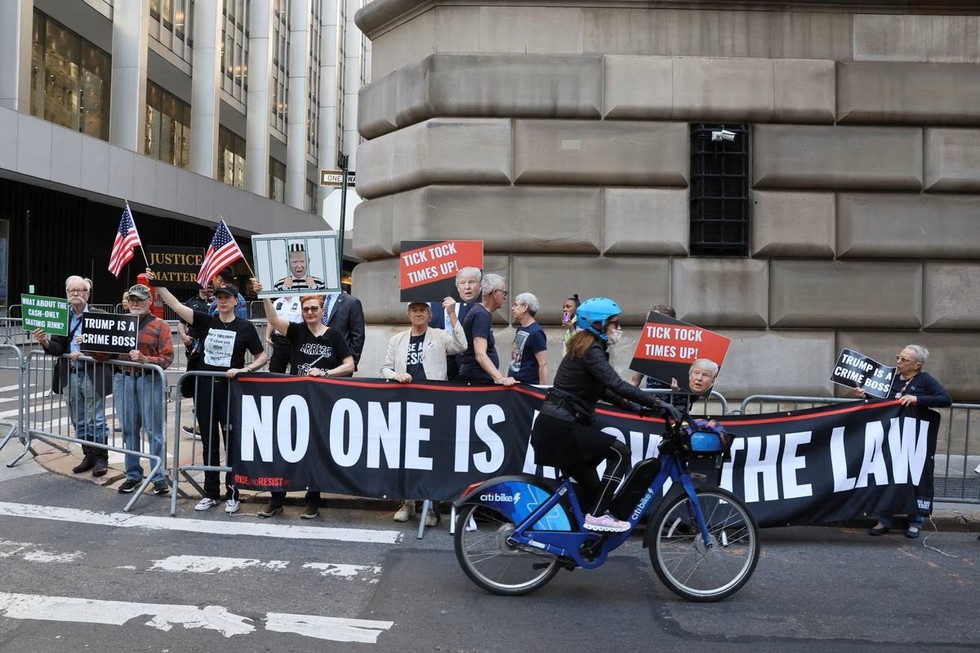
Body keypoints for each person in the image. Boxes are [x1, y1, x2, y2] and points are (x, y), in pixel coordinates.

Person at [530, 297, 681, 533]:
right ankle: (598, 516)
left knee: (593, 489)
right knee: (621, 453)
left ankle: (578, 541)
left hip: (559, 423)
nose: (618, 329)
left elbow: (605, 392)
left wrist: (640, 409)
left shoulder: (587, 346)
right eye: (614, 323)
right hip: (562, 425)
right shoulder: (590, 350)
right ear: (598, 324)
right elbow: (617, 385)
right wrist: (658, 402)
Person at [150, 270, 267, 514]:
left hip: (230, 389)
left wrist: (244, 369)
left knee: (231, 441)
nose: (222, 301)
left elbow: (262, 356)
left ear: (236, 301)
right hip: (205, 388)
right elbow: (177, 307)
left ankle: (233, 492)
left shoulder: (245, 327)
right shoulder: (206, 321)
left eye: (227, 298)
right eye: (218, 298)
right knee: (209, 442)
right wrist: (158, 285)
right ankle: (211, 493)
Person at [255, 282, 354, 519]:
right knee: (284, 450)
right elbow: (274, 320)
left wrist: (327, 373)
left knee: (315, 452)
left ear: (322, 310)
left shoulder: (334, 335)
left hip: (321, 403)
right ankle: (276, 498)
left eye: (314, 308)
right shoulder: (297, 331)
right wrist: (265, 295)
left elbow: (350, 364)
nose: (310, 312)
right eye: (306, 309)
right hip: (294, 401)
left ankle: (312, 500)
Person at [380, 299, 467, 525]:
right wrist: (395, 375)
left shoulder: (439, 336)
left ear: (429, 315)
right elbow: (385, 367)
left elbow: (461, 346)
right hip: (405, 403)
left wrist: (451, 314)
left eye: (422, 311)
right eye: (414, 311)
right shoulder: (397, 340)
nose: (418, 314)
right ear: (409, 315)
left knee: (430, 455)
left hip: (433, 403)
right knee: (406, 454)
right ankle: (408, 503)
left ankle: (430, 508)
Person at [867, 344, 951, 539]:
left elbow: (945, 399)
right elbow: (880, 402)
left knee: (914, 478)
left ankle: (915, 521)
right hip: (890, 438)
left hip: (915, 441)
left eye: (905, 360)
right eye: (899, 357)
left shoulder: (925, 380)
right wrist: (865, 395)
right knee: (886, 476)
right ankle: (883, 520)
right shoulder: (890, 379)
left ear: (917, 365)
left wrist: (917, 399)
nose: (898, 362)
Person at [32, 276, 112, 477]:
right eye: (72, 291)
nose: (76, 294)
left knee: (97, 418)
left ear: (88, 293)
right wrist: (45, 342)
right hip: (71, 374)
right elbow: (58, 348)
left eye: (80, 290)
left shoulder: (99, 315)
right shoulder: (63, 317)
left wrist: (86, 346)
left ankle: (102, 457)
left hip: (93, 373)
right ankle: (88, 455)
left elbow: (110, 347)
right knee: (78, 418)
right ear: (66, 294)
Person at [109, 284, 175, 496]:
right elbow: (105, 353)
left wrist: (147, 360)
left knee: (153, 430)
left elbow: (167, 357)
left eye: (140, 299)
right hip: (123, 379)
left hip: (149, 380)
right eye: (133, 300)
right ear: (127, 302)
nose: (136, 303)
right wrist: (89, 346)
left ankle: (158, 475)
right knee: (128, 429)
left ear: (149, 301)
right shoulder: (118, 324)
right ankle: (132, 474)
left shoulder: (160, 325)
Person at [457, 273, 517, 386]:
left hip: (477, 377)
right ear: (495, 293)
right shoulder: (481, 315)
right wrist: (500, 378)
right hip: (477, 380)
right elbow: (480, 354)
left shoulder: (481, 313)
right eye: (504, 292)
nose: (505, 297)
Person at [429, 267, 482, 380]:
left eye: (470, 282)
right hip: (439, 362)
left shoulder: (474, 306)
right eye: (462, 283)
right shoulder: (430, 304)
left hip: (464, 366)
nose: (466, 286)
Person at [177, 286, 211, 439]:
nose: (208, 285)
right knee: (196, 386)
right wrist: (184, 336)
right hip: (194, 350)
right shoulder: (191, 302)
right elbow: (181, 322)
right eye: (205, 282)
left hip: (212, 350)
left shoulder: (217, 300)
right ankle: (200, 424)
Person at [320, 289, 365, 372]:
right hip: (319, 360)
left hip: (341, 362)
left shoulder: (352, 302)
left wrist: (352, 361)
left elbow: (358, 335)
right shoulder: (318, 300)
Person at [508, 292, 548, 384]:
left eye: (515, 305)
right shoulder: (520, 329)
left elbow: (542, 364)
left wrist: (541, 390)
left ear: (525, 307)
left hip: (528, 387)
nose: (512, 308)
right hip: (514, 384)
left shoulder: (536, 333)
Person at [265, 295, 302, 373]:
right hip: (280, 341)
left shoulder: (300, 301)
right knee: (275, 370)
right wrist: (267, 335)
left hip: (296, 341)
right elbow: (271, 320)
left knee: (297, 371)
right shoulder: (277, 302)